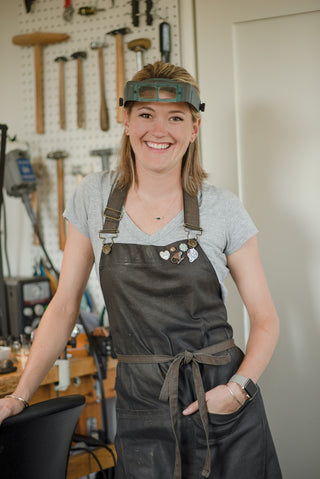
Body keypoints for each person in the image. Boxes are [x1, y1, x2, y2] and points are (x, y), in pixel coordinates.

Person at [0, 61, 282, 479]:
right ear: (126, 121)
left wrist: (237, 391)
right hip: (140, 403)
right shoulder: (93, 197)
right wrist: (20, 396)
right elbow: (63, 307)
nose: (159, 130)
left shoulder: (222, 207)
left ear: (194, 128)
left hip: (221, 403)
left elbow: (265, 319)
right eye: (146, 114)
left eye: (175, 117)